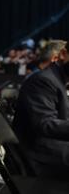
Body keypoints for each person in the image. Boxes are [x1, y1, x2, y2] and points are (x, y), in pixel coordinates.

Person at [13, 40, 69, 179]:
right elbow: (45, 124)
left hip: (48, 146)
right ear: (63, 54)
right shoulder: (44, 80)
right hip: (36, 154)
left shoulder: (59, 80)